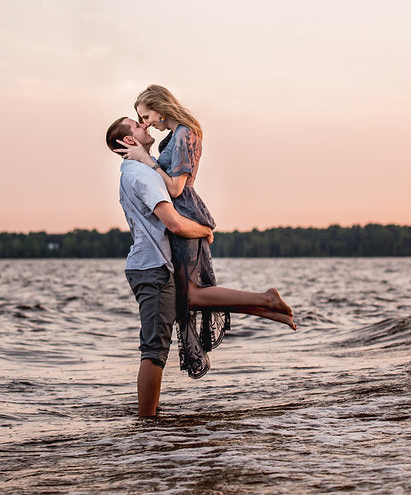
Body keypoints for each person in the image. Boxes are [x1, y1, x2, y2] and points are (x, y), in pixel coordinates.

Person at [117, 85, 294, 380]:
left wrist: (146, 161)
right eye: (141, 120)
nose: (146, 124)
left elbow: (175, 188)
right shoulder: (176, 135)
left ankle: (266, 299)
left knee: (193, 296)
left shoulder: (185, 133)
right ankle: (267, 307)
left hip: (185, 214)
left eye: (146, 116)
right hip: (180, 217)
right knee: (188, 299)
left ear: (159, 108)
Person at [105, 115, 215, 416]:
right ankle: (147, 425)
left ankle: (150, 423)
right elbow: (174, 223)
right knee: (154, 350)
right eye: (138, 125)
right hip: (151, 269)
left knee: (157, 347)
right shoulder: (142, 175)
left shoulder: (141, 169)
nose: (146, 125)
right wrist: (204, 230)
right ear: (130, 140)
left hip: (152, 266)